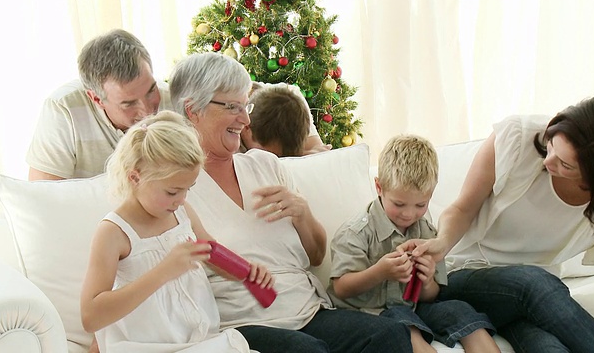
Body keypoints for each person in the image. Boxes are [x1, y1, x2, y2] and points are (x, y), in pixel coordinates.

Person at [168, 51, 413, 353]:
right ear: (193, 111)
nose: (245, 120)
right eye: (232, 107)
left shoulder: (265, 165)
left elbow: (317, 255)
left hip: (310, 310)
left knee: (389, 335)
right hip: (246, 324)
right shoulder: (176, 190)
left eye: (246, 106)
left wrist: (302, 213)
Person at [399, 98, 594, 352]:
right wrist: (441, 244)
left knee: (549, 348)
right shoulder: (518, 138)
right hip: (469, 274)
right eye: (551, 146)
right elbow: (462, 208)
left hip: (527, 302)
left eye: (565, 165)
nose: (547, 161)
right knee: (533, 282)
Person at [79, 110, 273, 352]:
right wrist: (163, 272)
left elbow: (213, 255)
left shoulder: (181, 213)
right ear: (135, 177)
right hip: (147, 346)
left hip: (200, 340)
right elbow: (91, 317)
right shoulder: (115, 233)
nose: (181, 200)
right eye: (172, 192)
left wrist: (247, 272)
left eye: (187, 189)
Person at [328, 134, 499, 353]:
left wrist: (427, 281)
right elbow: (341, 288)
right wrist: (380, 272)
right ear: (379, 188)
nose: (409, 214)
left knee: (460, 310)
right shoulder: (357, 232)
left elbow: (431, 295)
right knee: (403, 321)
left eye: (420, 205)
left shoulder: (426, 230)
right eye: (399, 204)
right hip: (370, 313)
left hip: (415, 308)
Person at [26, 28, 172, 181]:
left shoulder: (172, 99)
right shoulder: (63, 109)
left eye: (151, 91)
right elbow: (44, 192)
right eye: (128, 104)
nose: (147, 111)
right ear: (96, 99)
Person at [245, 82, 331, 155]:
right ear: (246, 127)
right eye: (269, 157)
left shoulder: (292, 98)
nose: (273, 162)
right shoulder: (234, 121)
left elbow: (318, 152)